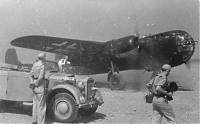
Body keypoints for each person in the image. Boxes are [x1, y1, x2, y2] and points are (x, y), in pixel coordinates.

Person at [30, 53, 47, 124]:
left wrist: (33, 83)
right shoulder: (42, 66)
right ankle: (40, 122)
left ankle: (34, 121)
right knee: (41, 106)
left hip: (34, 87)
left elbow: (30, 75)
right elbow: (40, 78)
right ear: (43, 58)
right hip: (40, 87)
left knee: (35, 104)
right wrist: (37, 83)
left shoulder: (34, 64)